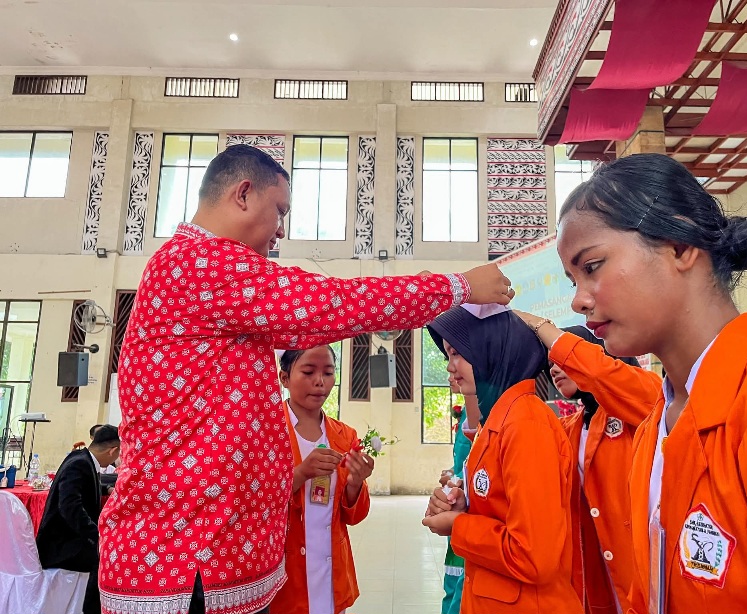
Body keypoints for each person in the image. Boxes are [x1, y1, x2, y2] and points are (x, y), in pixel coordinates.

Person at [98, 144, 515, 614]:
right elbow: (331, 304)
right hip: (184, 560)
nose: (281, 230)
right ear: (243, 194)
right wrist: (458, 286)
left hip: (211, 555)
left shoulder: (209, 278)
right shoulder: (198, 263)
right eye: (279, 211)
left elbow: (317, 321)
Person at [556, 152, 747, 614]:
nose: (579, 300)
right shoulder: (654, 428)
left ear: (679, 246)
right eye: (572, 279)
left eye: (592, 266)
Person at [422, 307, 583, 614]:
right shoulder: (499, 421)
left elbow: (534, 555)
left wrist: (459, 525)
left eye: (457, 353)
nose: (450, 367)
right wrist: (465, 506)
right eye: (448, 356)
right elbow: (502, 509)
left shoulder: (526, 425)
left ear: (490, 348)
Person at [514, 319, 661, 613]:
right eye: (550, 364)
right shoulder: (569, 428)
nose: (554, 370)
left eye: (562, 360)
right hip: (596, 580)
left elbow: (611, 378)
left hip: (643, 577)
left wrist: (538, 324)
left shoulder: (642, 406)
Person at [268, 345, 372, 614]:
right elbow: (254, 501)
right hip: (283, 574)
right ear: (284, 378)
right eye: (308, 372)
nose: (319, 382)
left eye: (328, 372)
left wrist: (355, 483)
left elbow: (353, 516)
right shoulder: (267, 431)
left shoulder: (345, 436)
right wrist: (300, 474)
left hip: (331, 570)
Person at [38, 425, 120, 614]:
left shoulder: (81, 458)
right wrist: (96, 535)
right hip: (64, 546)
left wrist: (106, 489)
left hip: (70, 540)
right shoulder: (80, 464)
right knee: (106, 559)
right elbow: (70, 506)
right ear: (112, 451)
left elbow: (84, 485)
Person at [439, 381, 477, 614]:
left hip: (471, 512)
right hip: (459, 503)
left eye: (457, 360)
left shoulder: (485, 413)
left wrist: (457, 480)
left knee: (464, 587)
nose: (451, 370)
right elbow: (466, 462)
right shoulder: (466, 412)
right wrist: (453, 474)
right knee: (454, 583)